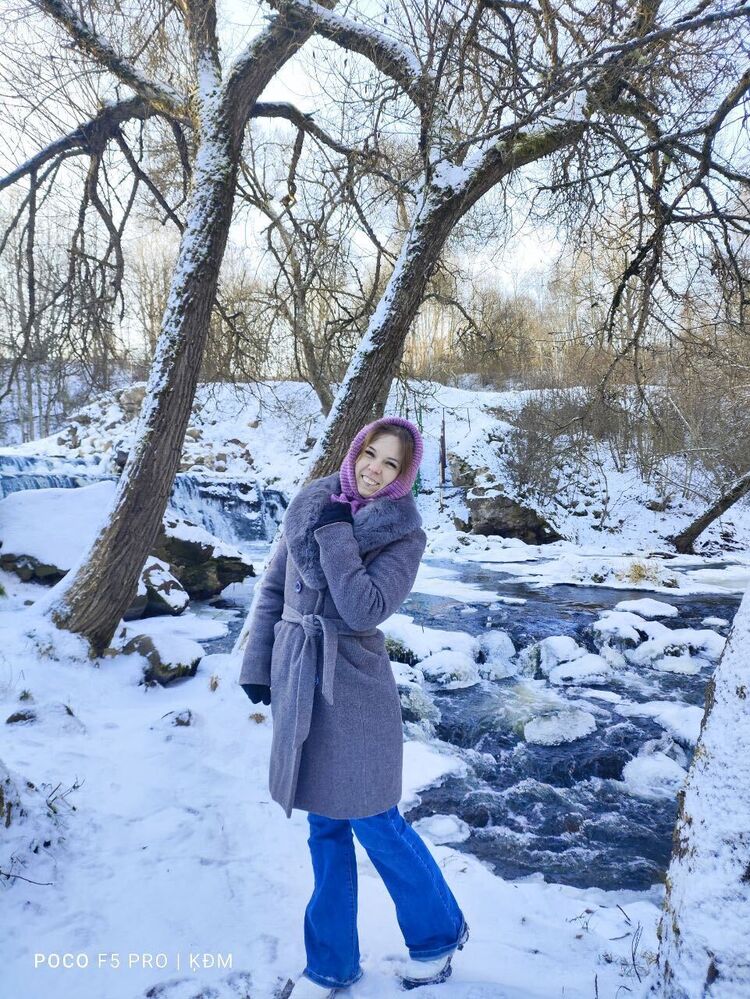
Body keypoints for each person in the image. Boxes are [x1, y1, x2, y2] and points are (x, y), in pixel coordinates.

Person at [239, 416, 469, 996]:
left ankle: (438, 935)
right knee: (323, 825)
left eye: (392, 464)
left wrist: (339, 535)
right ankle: (332, 964)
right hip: (299, 675)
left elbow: (364, 608)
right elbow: (273, 589)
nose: (375, 469)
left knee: (376, 819)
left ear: (404, 476)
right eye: (371, 454)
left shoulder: (403, 534)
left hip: (355, 687)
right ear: (355, 450)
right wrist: (257, 665)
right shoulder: (310, 503)